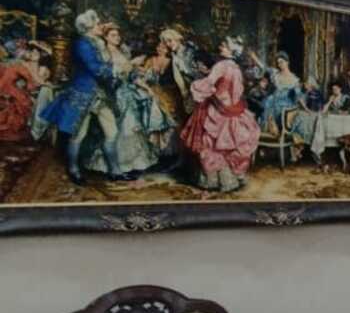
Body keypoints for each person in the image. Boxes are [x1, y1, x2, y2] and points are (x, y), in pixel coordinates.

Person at [81, 23, 177, 178]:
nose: (117, 38)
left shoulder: (122, 52)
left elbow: (132, 75)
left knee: (133, 126)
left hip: (128, 93)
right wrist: (130, 64)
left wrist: (147, 88)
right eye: (113, 35)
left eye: (118, 35)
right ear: (105, 37)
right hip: (113, 94)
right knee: (119, 129)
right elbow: (108, 76)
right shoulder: (104, 54)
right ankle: (116, 166)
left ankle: (132, 165)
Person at [37, 10, 122, 183]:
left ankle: (115, 171)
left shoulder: (98, 42)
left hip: (101, 96)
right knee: (78, 135)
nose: (100, 26)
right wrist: (116, 70)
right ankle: (74, 170)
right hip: (82, 95)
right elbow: (95, 68)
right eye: (97, 23)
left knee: (112, 132)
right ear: (89, 27)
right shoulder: (82, 44)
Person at [179, 34, 260, 192]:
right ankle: (230, 179)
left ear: (231, 49)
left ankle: (214, 180)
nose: (220, 47)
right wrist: (228, 100)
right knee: (226, 146)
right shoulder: (235, 68)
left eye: (223, 45)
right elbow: (237, 92)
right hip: (232, 108)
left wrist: (194, 85)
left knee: (211, 144)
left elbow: (208, 83)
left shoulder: (221, 65)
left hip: (217, 109)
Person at [259, 52, 305, 134]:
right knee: (268, 103)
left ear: (287, 62)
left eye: (281, 62)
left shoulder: (294, 79)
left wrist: (306, 108)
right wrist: (254, 57)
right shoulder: (275, 74)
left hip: (285, 103)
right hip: (273, 101)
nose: (279, 65)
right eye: (278, 63)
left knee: (278, 109)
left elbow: (299, 96)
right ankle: (270, 127)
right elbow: (264, 67)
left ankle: (275, 128)